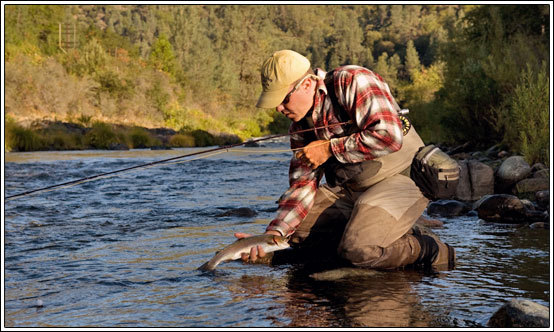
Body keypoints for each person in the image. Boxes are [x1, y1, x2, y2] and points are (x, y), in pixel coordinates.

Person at [235, 49, 455, 270]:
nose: (279, 108)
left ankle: (427, 247)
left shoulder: (352, 81)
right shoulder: (299, 127)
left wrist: (329, 149)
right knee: (296, 233)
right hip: (354, 190)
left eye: (283, 99)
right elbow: (301, 186)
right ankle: (368, 235)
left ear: (307, 84)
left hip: (404, 179)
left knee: (359, 249)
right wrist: (273, 236)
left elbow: (389, 135)